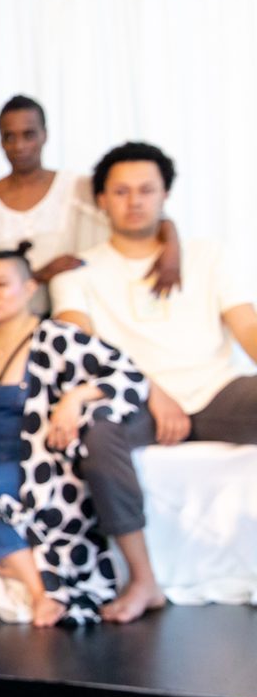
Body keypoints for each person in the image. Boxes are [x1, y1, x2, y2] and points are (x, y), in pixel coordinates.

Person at [53, 141, 257, 624]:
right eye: (121, 191)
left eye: (146, 189)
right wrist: (150, 389)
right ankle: (144, 581)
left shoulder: (207, 255)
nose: (135, 200)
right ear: (101, 199)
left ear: (165, 194)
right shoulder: (77, 270)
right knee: (98, 434)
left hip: (215, 391)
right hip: (133, 399)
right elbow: (83, 350)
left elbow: (246, 327)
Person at [0, 246, 148, 627]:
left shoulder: (56, 338)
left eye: (1, 284)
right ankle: (18, 556)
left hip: (36, 469)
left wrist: (76, 398)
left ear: (29, 288)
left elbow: (128, 375)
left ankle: (38, 589)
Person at [0, 95, 180, 317]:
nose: (19, 146)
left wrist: (172, 253)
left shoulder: (79, 187)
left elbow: (145, 217)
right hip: (10, 322)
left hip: (87, 308)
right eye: (9, 137)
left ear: (45, 135)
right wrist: (40, 275)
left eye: (29, 134)